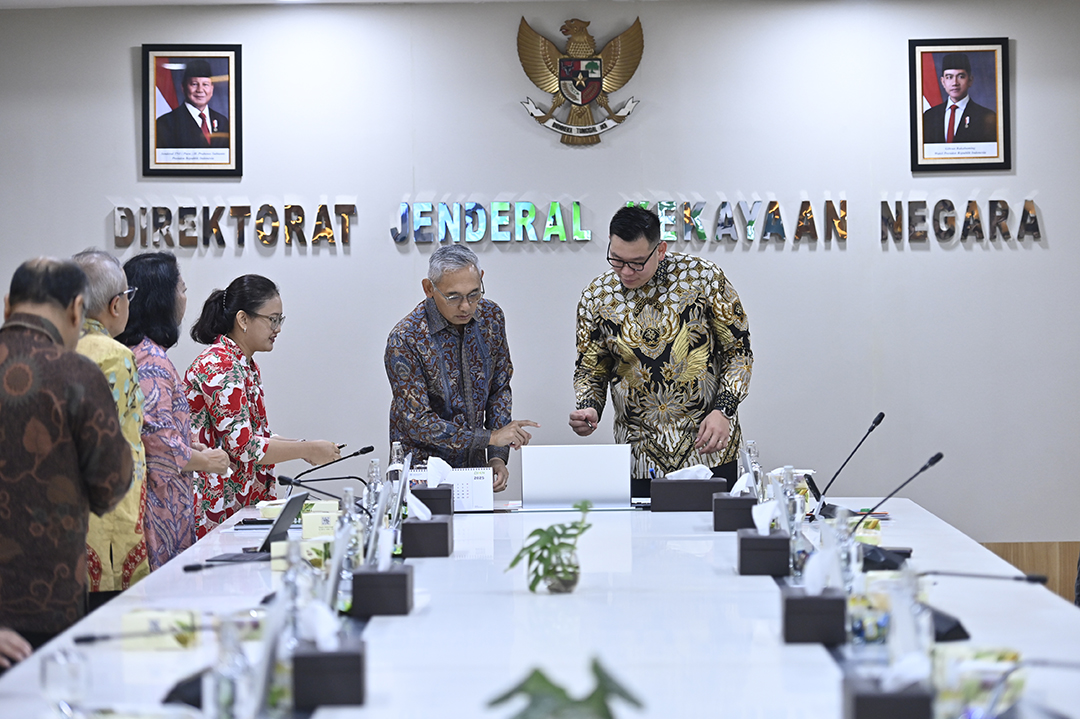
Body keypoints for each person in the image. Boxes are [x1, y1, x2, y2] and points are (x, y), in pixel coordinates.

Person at [570, 206, 753, 498]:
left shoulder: (703, 278)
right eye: (616, 259)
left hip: (709, 447)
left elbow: (738, 351)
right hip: (639, 455)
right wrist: (589, 405)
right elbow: (591, 368)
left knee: (716, 527)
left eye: (637, 263)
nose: (625, 271)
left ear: (660, 250)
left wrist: (724, 410)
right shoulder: (597, 296)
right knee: (643, 528)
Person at [0, 258, 131, 649]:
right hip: (48, 601)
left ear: (7, 305)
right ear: (77, 309)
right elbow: (110, 486)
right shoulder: (77, 375)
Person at [185, 275, 340, 538]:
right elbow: (244, 446)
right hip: (215, 508)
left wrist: (304, 446)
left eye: (280, 320)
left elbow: (256, 436)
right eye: (272, 319)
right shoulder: (220, 366)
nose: (277, 329)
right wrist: (307, 449)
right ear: (243, 319)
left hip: (238, 502)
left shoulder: (244, 363)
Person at [384, 245, 539, 492]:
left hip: (474, 471)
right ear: (428, 288)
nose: (466, 306)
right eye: (453, 297)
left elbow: (499, 390)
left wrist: (497, 456)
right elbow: (418, 422)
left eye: (474, 294)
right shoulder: (405, 339)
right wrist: (490, 438)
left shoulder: (491, 318)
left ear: (481, 279)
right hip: (421, 476)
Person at [116, 253, 230, 569]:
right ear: (161, 300)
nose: (185, 297)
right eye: (181, 289)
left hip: (163, 501)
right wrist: (207, 461)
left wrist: (191, 445)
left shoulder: (144, 353)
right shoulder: (150, 359)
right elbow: (156, 441)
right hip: (156, 507)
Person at [72, 249, 149, 605]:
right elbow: (106, 441)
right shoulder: (115, 355)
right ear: (116, 305)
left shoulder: (58, 347)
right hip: (108, 515)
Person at [922, 52, 997, 144]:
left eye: (961, 76)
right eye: (949, 77)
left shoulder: (986, 116)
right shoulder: (929, 116)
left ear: (970, 80)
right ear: (943, 82)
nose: (955, 83)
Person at [155, 58, 230, 149]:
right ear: (183, 87)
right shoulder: (166, 123)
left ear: (212, 88)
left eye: (205, 84)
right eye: (194, 84)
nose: (200, 90)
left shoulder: (222, 121)